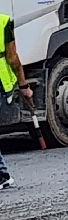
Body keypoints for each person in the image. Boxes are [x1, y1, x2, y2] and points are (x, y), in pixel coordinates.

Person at [0, 11, 31, 190]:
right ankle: (2, 174)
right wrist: (23, 84)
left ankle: (2, 175)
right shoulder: (4, 21)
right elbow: (12, 57)